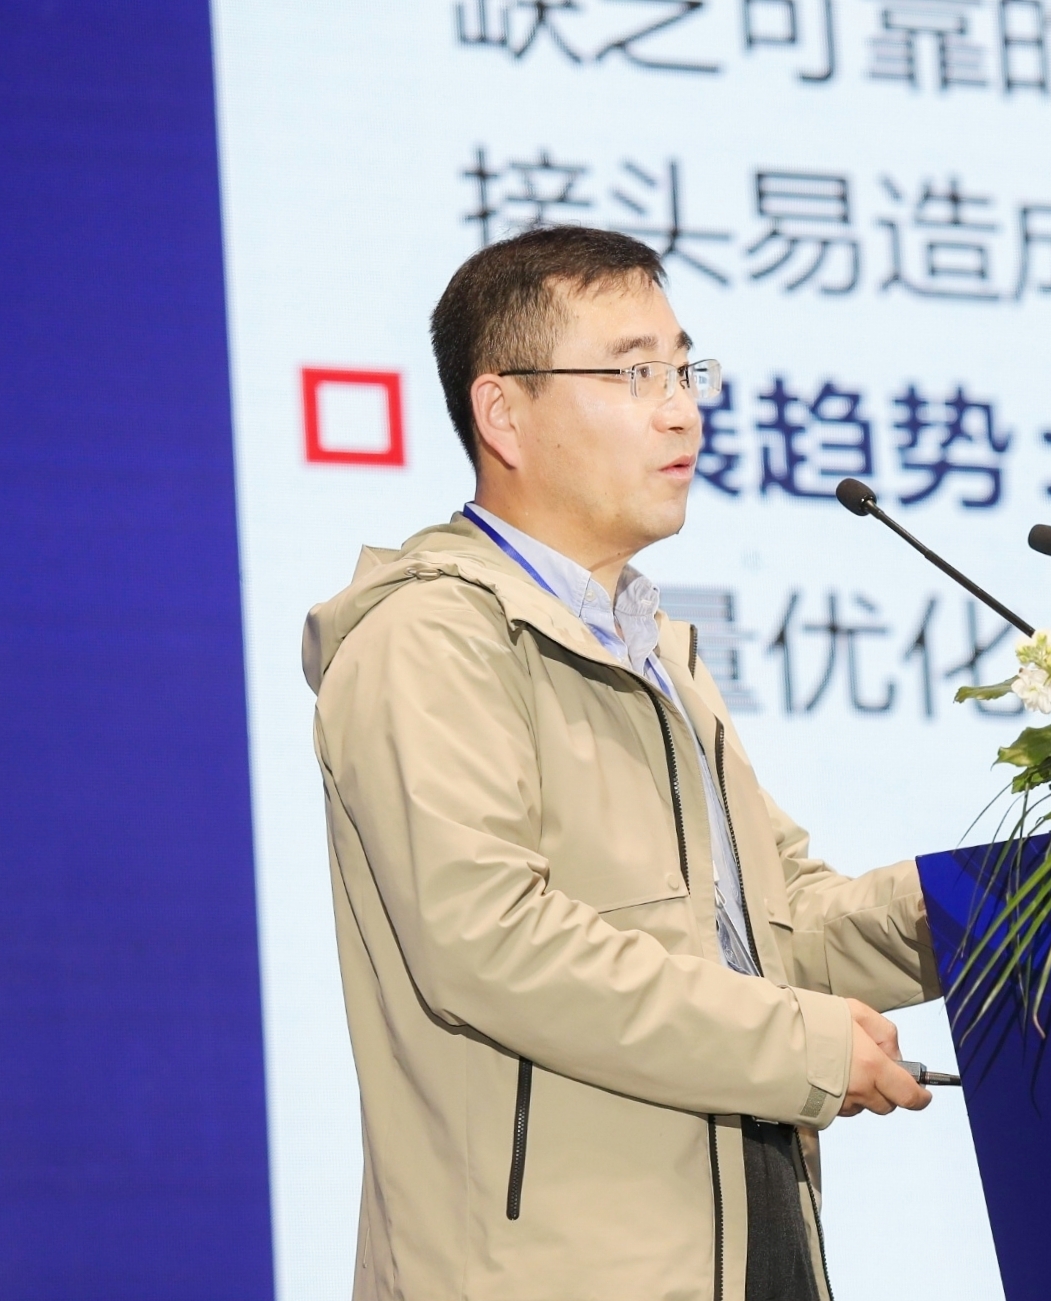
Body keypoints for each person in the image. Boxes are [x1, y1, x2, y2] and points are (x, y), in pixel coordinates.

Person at [302, 224, 941, 1301]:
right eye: (635, 373)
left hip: (751, 1244)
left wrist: (1015, 903)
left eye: (685, 370)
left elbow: (780, 929)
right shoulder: (430, 639)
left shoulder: (654, 654)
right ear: (503, 412)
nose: (682, 409)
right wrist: (802, 1042)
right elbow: (492, 942)